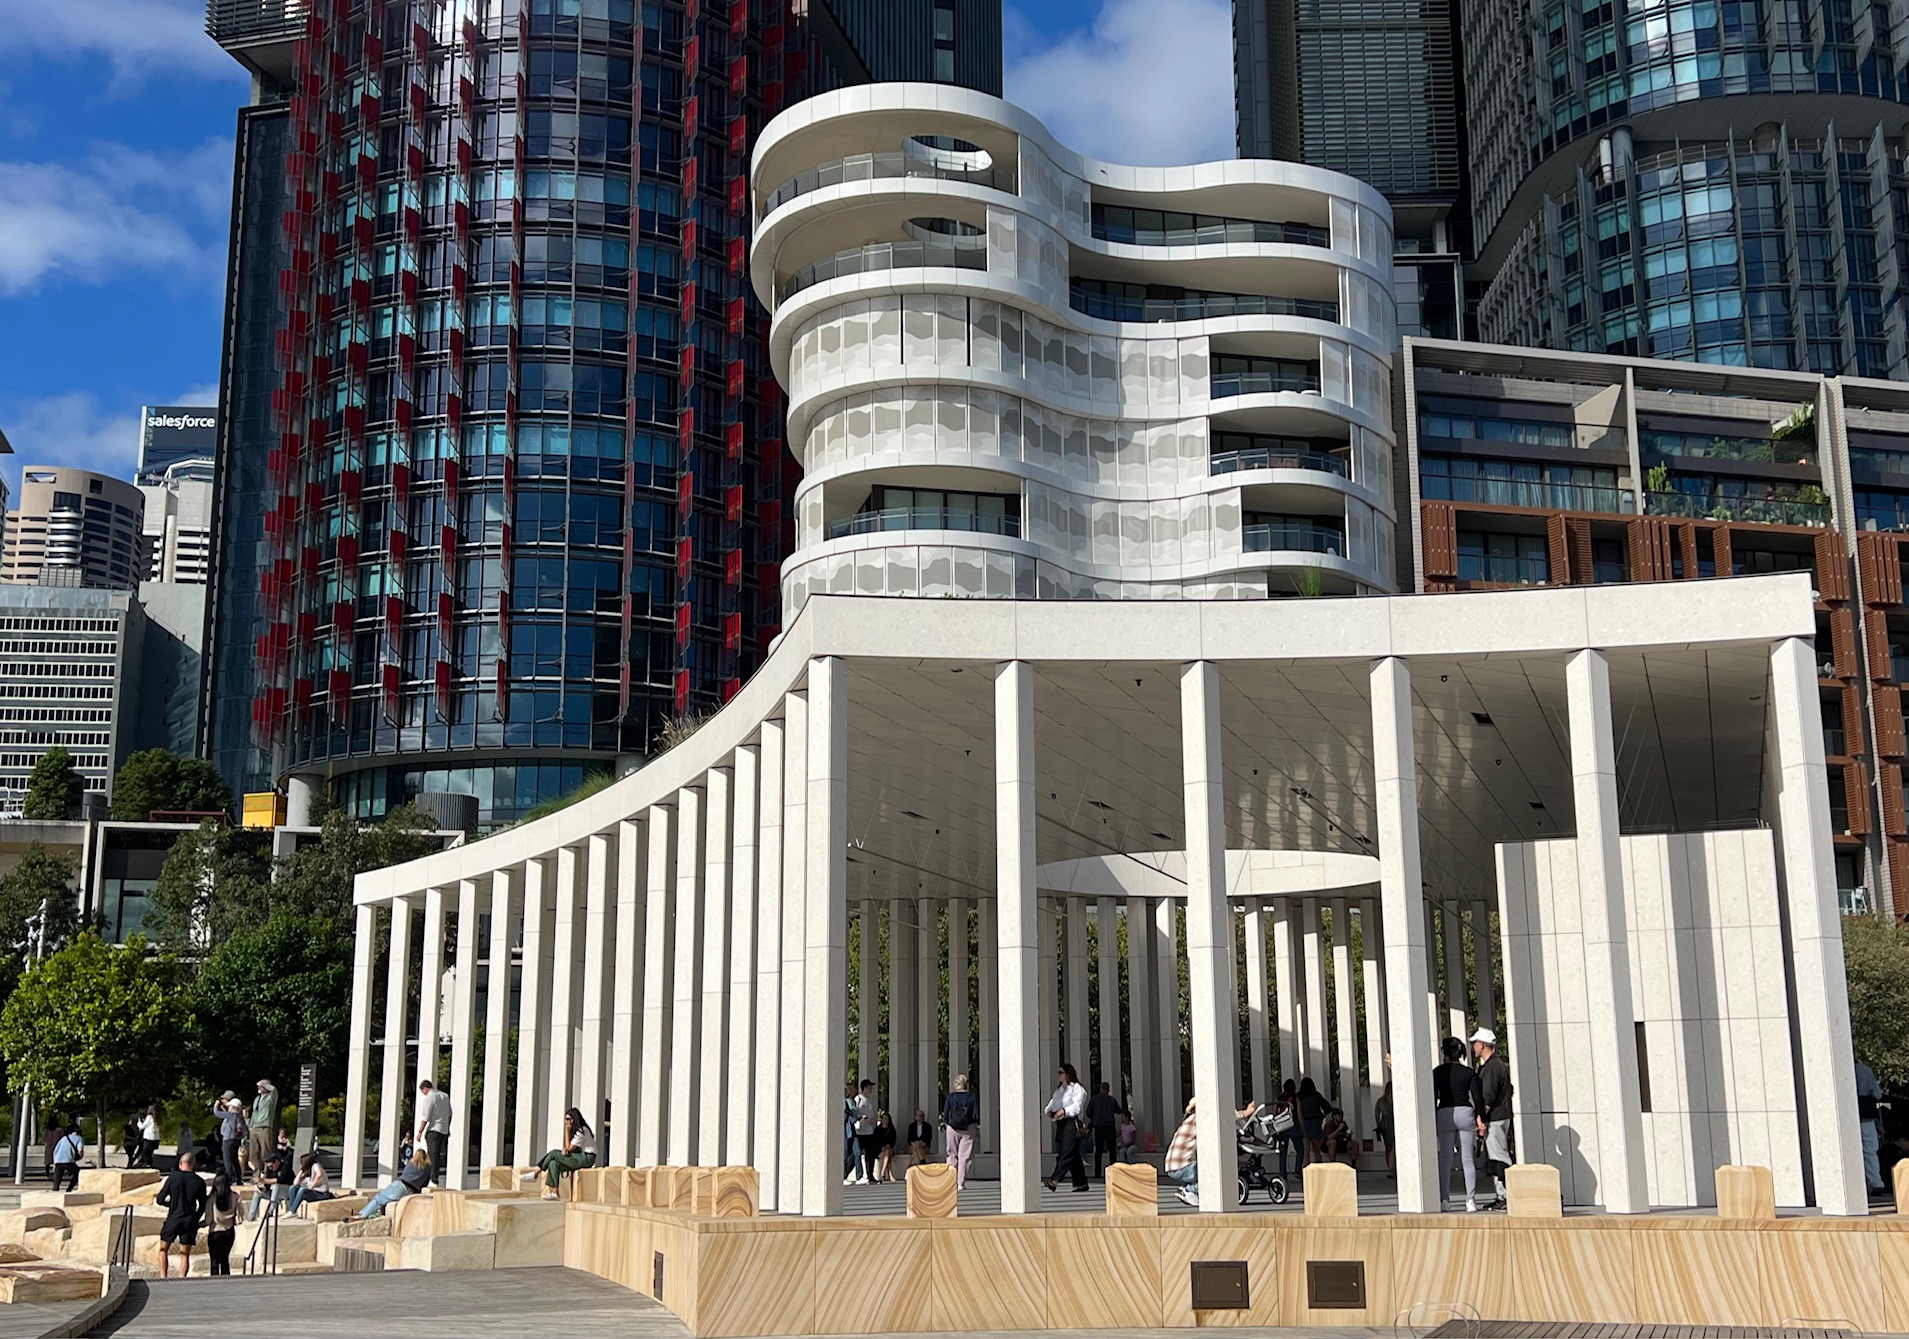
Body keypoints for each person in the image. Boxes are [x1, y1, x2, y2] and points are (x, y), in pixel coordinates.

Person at [1162, 1097, 1259, 1207]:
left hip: (1174, 1166)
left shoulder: (1190, 1121)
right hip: (1181, 1166)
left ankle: (1189, 1188)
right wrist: (1245, 1113)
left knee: (1207, 1167)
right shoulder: (1199, 1119)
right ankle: (1189, 1190)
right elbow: (1223, 1116)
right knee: (1214, 1172)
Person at [1434, 1036, 1480, 1212]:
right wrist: (1480, 1117)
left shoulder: (1437, 1072)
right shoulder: (1469, 1072)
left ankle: (1445, 1199)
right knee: (1467, 1159)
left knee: (1445, 1159)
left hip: (1445, 1112)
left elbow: (1433, 1096)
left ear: (1444, 1052)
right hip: (1465, 1112)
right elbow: (1477, 1097)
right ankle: (1470, 1200)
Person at [1472, 1028, 1513, 1210]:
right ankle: (1502, 1195)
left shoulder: (1491, 1068)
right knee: (1498, 1155)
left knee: (1499, 1157)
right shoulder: (1498, 1065)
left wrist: (1482, 1119)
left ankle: (1507, 1195)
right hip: (1501, 1116)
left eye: (1475, 1043)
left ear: (1482, 1045)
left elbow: (1488, 1097)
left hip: (1495, 1118)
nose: (1473, 1046)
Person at [518, 1107, 596, 1201]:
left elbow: (569, 1147)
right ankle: (555, 1192)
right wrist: (566, 1149)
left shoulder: (582, 1131)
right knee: (553, 1163)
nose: (566, 1122)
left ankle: (535, 1173)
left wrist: (566, 1131)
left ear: (573, 1119)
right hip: (579, 1157)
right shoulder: (577, 1131)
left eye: (568, 1119)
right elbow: (570, 1148)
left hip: (587, 1158)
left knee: (554, 1153)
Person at [155, 1150, 209, 1278]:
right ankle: (181, 1278)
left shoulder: (173, 1178)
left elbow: (160, 1199)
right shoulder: (199, 1181)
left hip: (173, 1217)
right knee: (184, 1254)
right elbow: (203, 1205)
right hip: (189, 1219)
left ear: (180, 1163)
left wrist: (171, 1204)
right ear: (194, 1164)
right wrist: (196, 1217)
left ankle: (163, 1276)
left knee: (163, 1249)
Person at [1042, 1063, 1089, 1192]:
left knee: (1066, 1152)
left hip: (1071, 1123)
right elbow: (1051, 1104)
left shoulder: (1076, 1088)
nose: (1058, 1075)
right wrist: (1049, 1112)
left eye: (1061, 1072)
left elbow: (1077, 1107)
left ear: (1068, 1074)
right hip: (1061, 1123)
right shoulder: (1059, 1091)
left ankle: (1055, 1180)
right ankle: (1081, 1183)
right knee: (1072, 1153)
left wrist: (1064, 1111)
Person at [361, 1148, 435, 1218]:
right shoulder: (427, 1168)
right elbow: (425, 1183)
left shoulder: (410, 1164)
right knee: (385, 1202)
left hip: (399, 1184)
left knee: (379, 1199)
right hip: (410, 1190)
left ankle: (363, 1215)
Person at [941, 1074, 980, 1189]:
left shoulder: (950, 1097)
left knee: (952, 1154)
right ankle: (960, 1182)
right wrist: (975, 1124)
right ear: (966, 1084)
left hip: (952, 1128)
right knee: (965, 1156)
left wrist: (948, 1123)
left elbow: (945, 1114)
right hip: (968, 1129)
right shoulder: (972, 1097)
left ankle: (951, 1180)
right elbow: (976, 1114)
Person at [250, 1129, 297, 1221]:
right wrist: (261, 1187)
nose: (271, 1168)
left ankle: (271, 1211)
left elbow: (281, 1179)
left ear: (276, 1162)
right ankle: (251, 1217)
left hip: (287, 1190)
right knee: (257, 1193)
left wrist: (263, 1180)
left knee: (276, 1186)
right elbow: (267, 1184)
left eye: (271, 1166)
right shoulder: (270, 1170)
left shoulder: (285, 1166)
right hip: (275, 1193)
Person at [1857, 1060, 1887, 1198]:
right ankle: (1875, 1182)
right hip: (1866, 1116)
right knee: (1870, 1150)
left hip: (1846, 1115)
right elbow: (1877, 1094)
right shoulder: (1865, 1070)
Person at [414, 1079, 452, 1184]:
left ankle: (432, 1177)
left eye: (423, 1092)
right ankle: (435, 1175)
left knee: (432, 1154)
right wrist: (447, 1127)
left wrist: (420, 1131)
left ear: (425, 1089)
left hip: (434, 1129)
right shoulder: (445, 1096)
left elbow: (426, 1116)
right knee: (437, 1154)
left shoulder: (430, 1097)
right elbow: (449, 1114)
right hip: (443, 1130)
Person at [204, 1173, 240, 1276]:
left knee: (214, 1261)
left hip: (215, 1231)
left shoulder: (212, 1198)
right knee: (225, 1260)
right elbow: (241, 1216)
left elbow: (208, 1220)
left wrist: (199, 1224)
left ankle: (214, 1282)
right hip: (229, 1231)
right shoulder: (235, 1196)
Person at [1087, 1082, 1121, 1179]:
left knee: (1098, 1151)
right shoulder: (1112, 1100)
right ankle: (1113, 1171)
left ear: (1100, 1089)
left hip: (1099, 1127)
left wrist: (1095, 1116)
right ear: (1108, 1090)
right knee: (1112, 1150)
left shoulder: (1094, 1099)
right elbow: (1118, 1111)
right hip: (1110, 1126)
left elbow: (1088, 1112)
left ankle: (1097, 1172)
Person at [847, 1080, 878, 1185]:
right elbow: (854, 1113)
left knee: (870, 1154)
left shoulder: (869, 1100)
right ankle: (846, 1173)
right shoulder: (858, 1099)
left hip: (869, 1131)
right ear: (864, 1088)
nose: (871, 1089)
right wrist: (860, 1120)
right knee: (856, 1154)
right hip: (859, 1132)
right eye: (869, 1087)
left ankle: (870, 1175)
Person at [247, 1078, 279, 1178]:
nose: (259, 1088)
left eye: (262, 1086)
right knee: (253, 1153)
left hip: (264, 1127)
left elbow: (274, 1089)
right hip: (254, 1127)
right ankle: (256, 1174)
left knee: (266, 1152)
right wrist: (251, 1126)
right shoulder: (257, 1099)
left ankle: (266, 1174)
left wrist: (263, 1084)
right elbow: (254, 1113)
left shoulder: (271, 1097)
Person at [1296, 1077, 1330, 1165]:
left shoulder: (1299, 1096)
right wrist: (1322, 1116)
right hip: (1316, 1123)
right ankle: (1318, 1169)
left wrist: (1302, 1126)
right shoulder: (1317, 1095)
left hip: (1305, 1123)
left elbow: (1299, 1113)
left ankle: (1306, 1169)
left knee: (1306, 1151)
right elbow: (1328, 1108)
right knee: (1316, 1150)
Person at [1271, 1079, 1301, 1175]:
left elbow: (1274, 1113)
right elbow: (1299, 1113)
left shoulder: (1279, 1098)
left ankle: (1282, 1175)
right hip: (1293, 1125)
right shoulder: (1295, 1098)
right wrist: (1302, 1126)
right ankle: (1298, 1169)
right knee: (1300, 1149)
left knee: (1283, 1152)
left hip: (1282, 1127)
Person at [218, 1097, 247, 1183]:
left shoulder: (230, 1115)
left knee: (227, 1159)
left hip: (228, 1139)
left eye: (230, 1106)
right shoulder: (239, 1116)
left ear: (233, 1107)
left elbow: (216, 1113)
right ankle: (238, 1178)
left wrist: (216, 1105)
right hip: (236, 1140)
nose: (228, 1108)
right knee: (235, 1159)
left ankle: (230, 1178)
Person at [50, 1122, 83, 1191]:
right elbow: (80, 1150)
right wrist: (80, 1157)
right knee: (78, 1173)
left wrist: (54, 1162)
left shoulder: (63, 1138)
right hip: (69, 1160)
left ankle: (55, 1189)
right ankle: (69, 1189)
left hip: (58, 1160)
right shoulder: (79, 1138)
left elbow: (55, 1151)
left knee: (57, 1177)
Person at [1374, 1080, 1396, 1180]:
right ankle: (1393, 1168)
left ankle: (1390, 1168)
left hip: (1385, 1124)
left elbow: (1377, 1114)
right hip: (1392, 1123)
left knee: (1388, 1147)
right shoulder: (1394, 1100)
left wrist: (1378, 1125)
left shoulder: (1381, 1101)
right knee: (1393, 1146)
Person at [869, 1111, 897, 1183]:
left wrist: (888, 1145)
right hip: (879, 1150)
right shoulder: (877, 1129)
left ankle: (883, 1172)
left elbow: (893, 1141)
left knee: (888, 1151)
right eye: (883, 1118)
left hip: (889, 1148)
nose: (884, 1120)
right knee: (888, 1155)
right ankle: (889, 1174)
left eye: (886, 1118)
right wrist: (882, 1147)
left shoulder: (892, 1129)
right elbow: (875, 1141)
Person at [132, 1106, 161, 1170]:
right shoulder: (157, 1118)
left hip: (149, 1138)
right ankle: (149, 1164)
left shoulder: (149, 1117)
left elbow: (142, 1126)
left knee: (144, 1152)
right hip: (155, 1139)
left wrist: (139, 1122)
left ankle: (148, 1164)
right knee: (149, 1153)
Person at [841, 1084, 858, 1181]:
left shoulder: (846, 1103)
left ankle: (845, 1174)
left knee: (851, 1153)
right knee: (845, 1152)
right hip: (843, 1129)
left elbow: (850, 1115)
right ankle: (843, 1176)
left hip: (848, 1129)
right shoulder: (841, 1102)